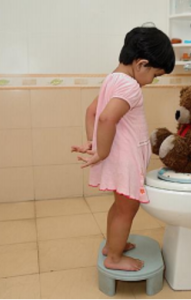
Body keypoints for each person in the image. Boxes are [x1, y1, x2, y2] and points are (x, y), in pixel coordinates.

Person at [71, 25, 175, 271]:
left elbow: (92, 111)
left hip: (118, 156)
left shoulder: (111, 79)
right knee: (127, 209)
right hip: (124, 158)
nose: (152, 81)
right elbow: (107, 118)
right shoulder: (130, 86)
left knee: (119, 207)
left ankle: (112, 245)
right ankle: (114, 258)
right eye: (156, 75)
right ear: (141, 64)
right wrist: (102, 151)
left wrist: (93, 142)